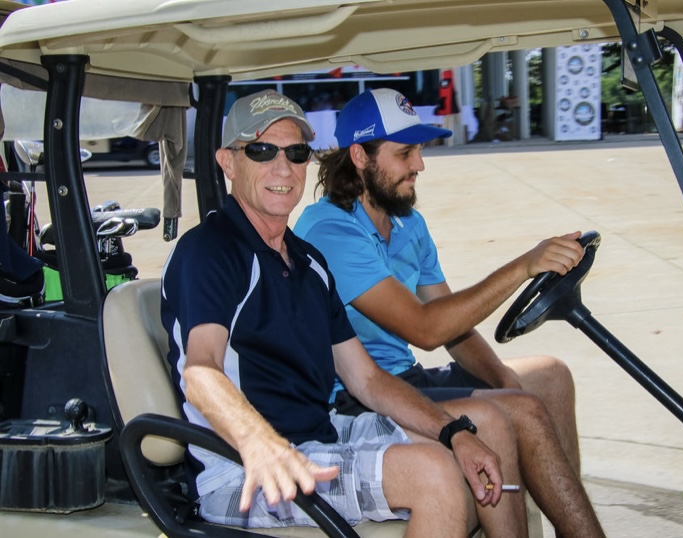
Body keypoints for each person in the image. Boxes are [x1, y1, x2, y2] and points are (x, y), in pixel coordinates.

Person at [160, 89, 529, 537]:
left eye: (296, 153)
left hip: (319, 436)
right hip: (242, 470)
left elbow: (367, 380)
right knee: (433, 472)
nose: (283, 167)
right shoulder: (210, 250)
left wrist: (454, 432)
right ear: (228, 162)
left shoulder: (308, 261)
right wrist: (260, 443)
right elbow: (201, 370)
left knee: (487, 425)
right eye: (261, 150)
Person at [295, 88, 605, 537]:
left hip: (409, 379)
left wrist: (502, 379)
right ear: (360, 156)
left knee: (550, 376)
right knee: (521, 410)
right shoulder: (329, 230)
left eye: (419, 151)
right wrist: (523, 266)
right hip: (359, 399)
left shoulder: (407, 223)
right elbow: (425, 328)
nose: (420, 165)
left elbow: (453, 326)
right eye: (405, 154)